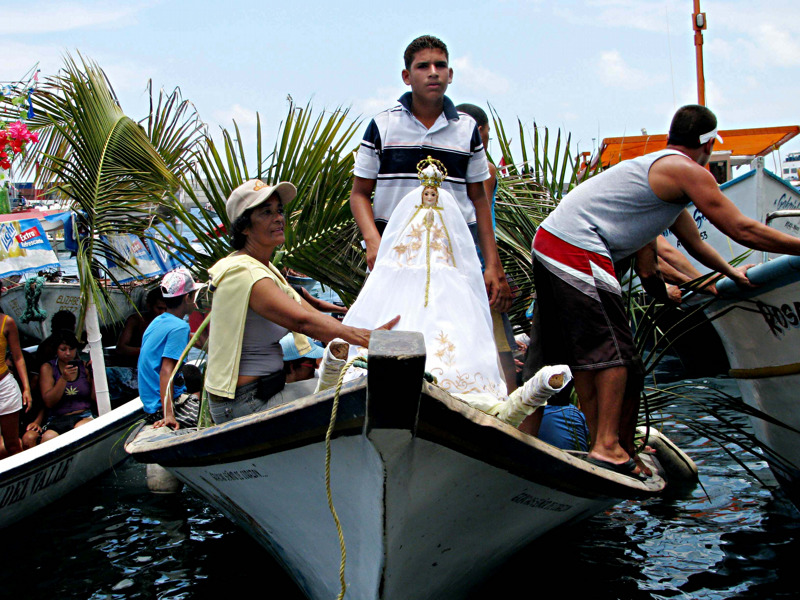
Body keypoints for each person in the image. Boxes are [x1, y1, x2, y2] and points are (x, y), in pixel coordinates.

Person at [532, 104, 800, 476]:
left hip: (554, 243)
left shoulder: (663, 179)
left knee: (595, 358)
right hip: (574, 247)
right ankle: (607, 447)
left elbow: (692, 246)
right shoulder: (686, 170)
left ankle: (605, 446)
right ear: (708, 145)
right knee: (614, 353)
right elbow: (743, 229)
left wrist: (727, 274)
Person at [205, 179, 399, 424]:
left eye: (279, 210)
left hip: (265, 392)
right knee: (361, 399)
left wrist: (362, 332)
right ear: (244, 227)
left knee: (355, 387)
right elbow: (304, 322)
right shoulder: (245, 273)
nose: (278, 218)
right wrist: (367, 339)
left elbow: (312, 313)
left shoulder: (265, 269)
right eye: (266, 212)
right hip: (245, 404)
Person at [349, 34, 512, 313]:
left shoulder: (467, 130)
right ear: (407, 76)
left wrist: (492, 264)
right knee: (392, 332)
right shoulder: (382, 126)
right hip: (393, 259)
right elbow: (359, 194)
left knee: (454, 333)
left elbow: (479, 200)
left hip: (455, 262)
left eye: (440, 65)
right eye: (423, 66)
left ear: (450, 74)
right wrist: (373, 241)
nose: (433, 72)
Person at [455, 102, 517, 393]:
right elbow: (485, 225)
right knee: (500, 350)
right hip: (480, 271)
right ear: (478, 131)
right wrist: (496, 272)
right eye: (487, 136)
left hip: (454, 271)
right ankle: (510, 412)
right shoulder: (485, 170)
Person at [138, 268, 202, 430]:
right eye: (194, 295)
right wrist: (169, 415)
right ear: (187, 298)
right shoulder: (180, 327)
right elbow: (167, 371)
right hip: (161, 408)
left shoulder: (159, 320)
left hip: (151, 404)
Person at [39, 330, 95, 442]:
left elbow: (95, 398)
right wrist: (63, 379)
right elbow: (49, 402)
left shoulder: (84, 367)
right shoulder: (48, 368)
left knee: (81, 430)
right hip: (57, 418)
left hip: (83, 415)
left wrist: (94, 375)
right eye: (63, 349)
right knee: (48, 438)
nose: (68, 353)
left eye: (71, 349)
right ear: (56, 350)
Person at [0, 308, 32, 457]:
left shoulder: (7, 322)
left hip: (5, 388)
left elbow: (18, 357)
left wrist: (26, 388)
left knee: (12, 444)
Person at [114, 288, 167, 366]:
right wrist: (148, 351)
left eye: (166, 309)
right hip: (133, 366)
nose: (163, 313)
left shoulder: (172, 323)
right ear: (149, 306)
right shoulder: (136, 320)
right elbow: (121, 348)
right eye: (159, 308)